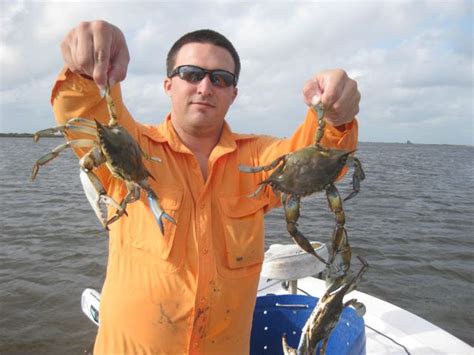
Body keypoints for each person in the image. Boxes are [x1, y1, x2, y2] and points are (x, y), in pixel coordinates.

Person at [54, 20, 360, 354]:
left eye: (220, 78)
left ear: (233, 94)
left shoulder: (257, 159)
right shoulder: (130, 147)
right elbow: (86, 109)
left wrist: (333, 115)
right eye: (191, 73)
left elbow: (314, 156)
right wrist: (87, 68)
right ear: (168, 85)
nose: (205, 86)